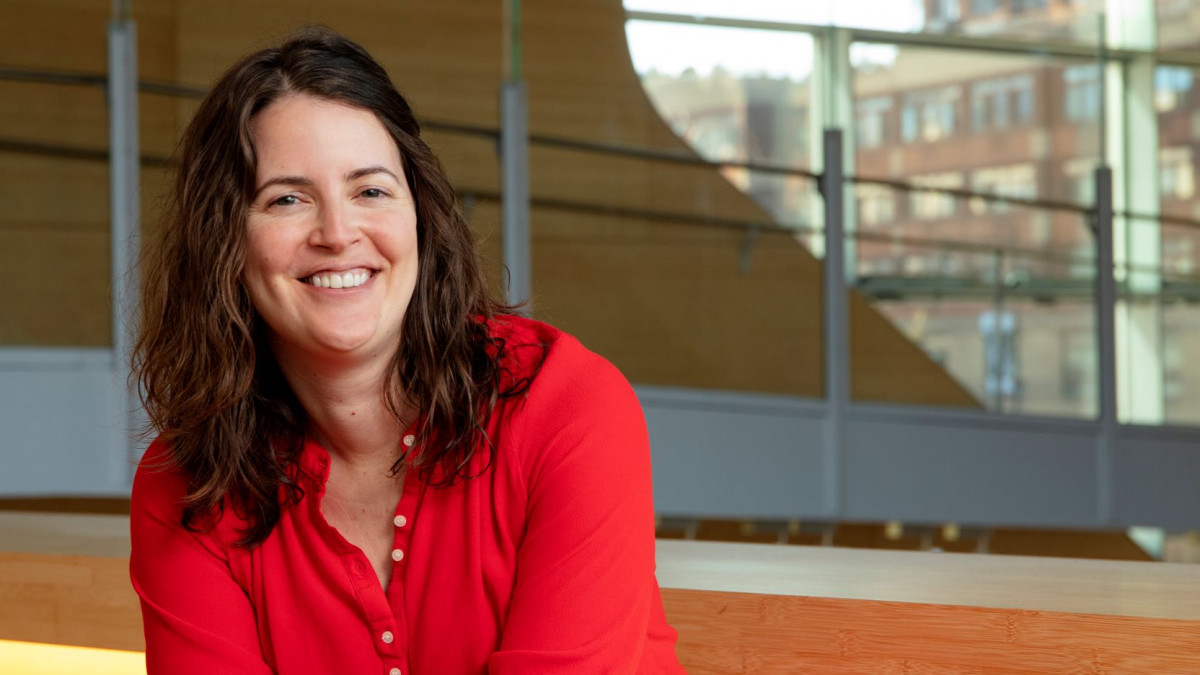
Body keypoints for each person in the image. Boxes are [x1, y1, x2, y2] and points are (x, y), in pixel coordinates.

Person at [130, 27, 684, 675]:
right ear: (225, 242)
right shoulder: (186, 485)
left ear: (419, 213)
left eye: (370, 190)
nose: (338, 233)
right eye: (287, 198)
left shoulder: (567, 407)